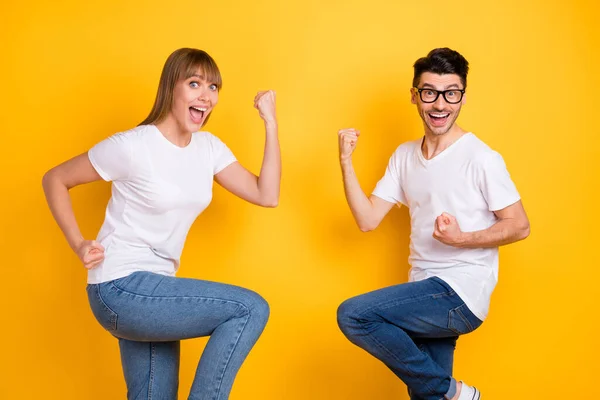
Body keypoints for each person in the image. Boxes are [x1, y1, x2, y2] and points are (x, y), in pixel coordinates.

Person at [42, 48, 280, 400]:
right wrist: (78, 242)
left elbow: (266, 194)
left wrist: (270, 123)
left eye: (213, 87)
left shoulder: (208, 148)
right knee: (249, 308)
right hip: (120, 286)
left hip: (156, 290)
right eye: (194, 83)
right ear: (171, 88)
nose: (205, 95)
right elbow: (55, 178)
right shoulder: (133, 146)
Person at [336, 48, 530, 400]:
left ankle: (453, 391)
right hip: (422, 290)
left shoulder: (481, 158)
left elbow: (519, 225)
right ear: (415, 96)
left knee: (354, 315)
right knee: (426, 396)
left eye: (451, 93)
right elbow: (367, 219)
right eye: (430, 92)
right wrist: (346, 162)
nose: (440, 104)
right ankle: (446, 393)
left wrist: (460, 239)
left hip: (459, 292)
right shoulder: (405, 156)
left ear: (463, 97)